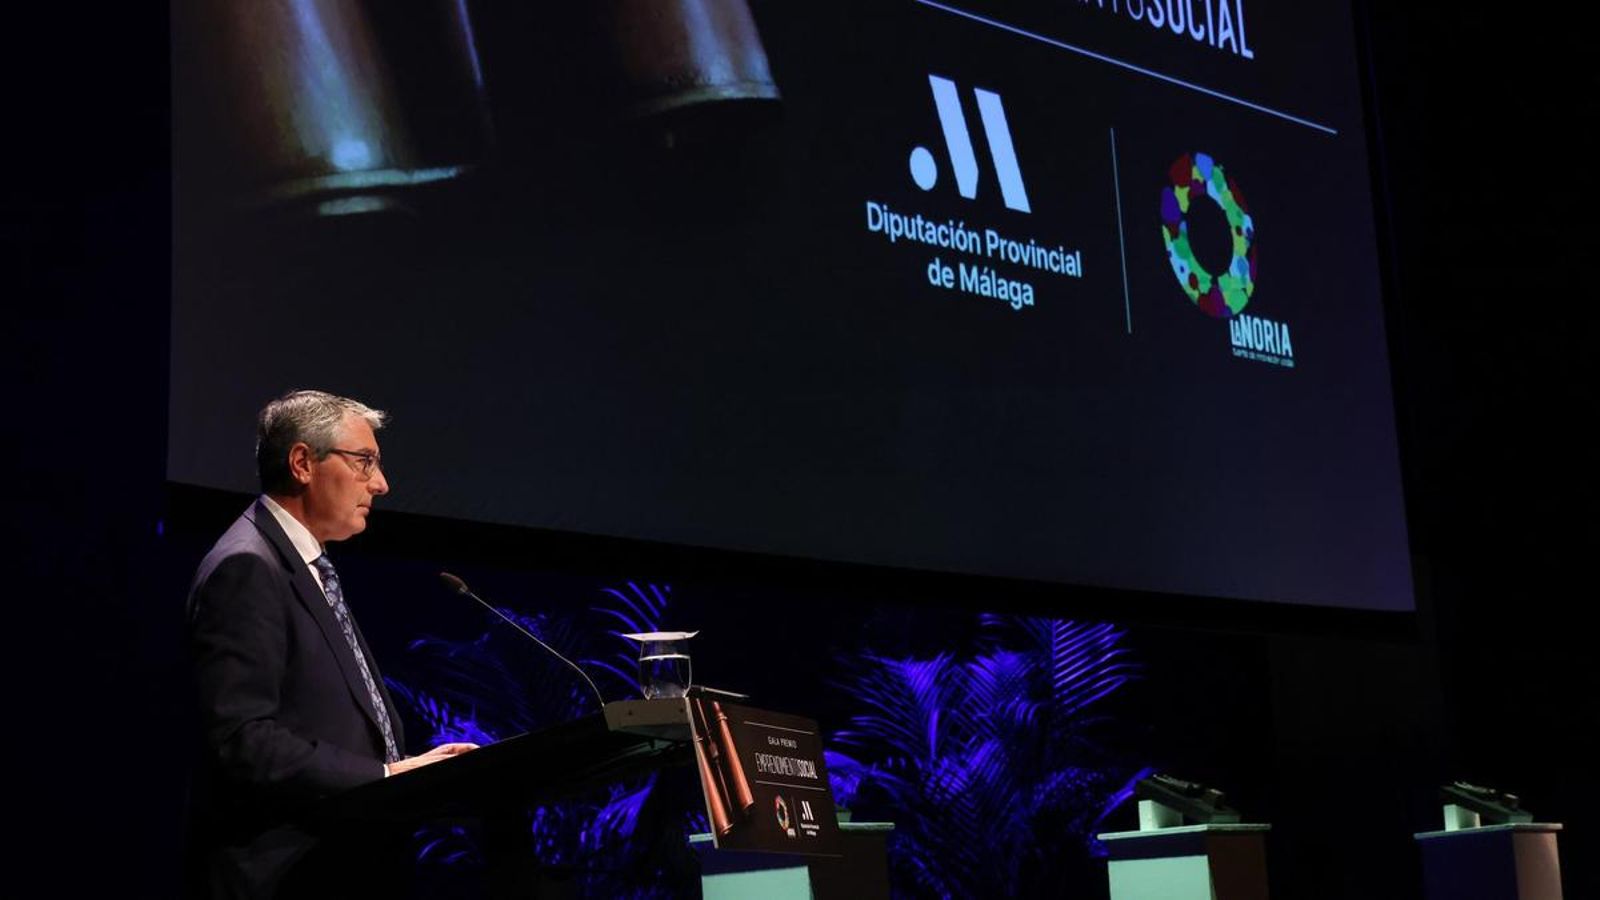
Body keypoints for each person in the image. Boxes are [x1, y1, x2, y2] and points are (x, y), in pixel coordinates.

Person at [185, 390, 476, 899]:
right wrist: (384, 774)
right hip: (284, 875)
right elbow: (242, 739)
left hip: (338, 862)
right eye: (365, 462)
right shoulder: (248, 565)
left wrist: (406, 775)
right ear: (302, 463)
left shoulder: (300, 562)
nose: (381, 484)